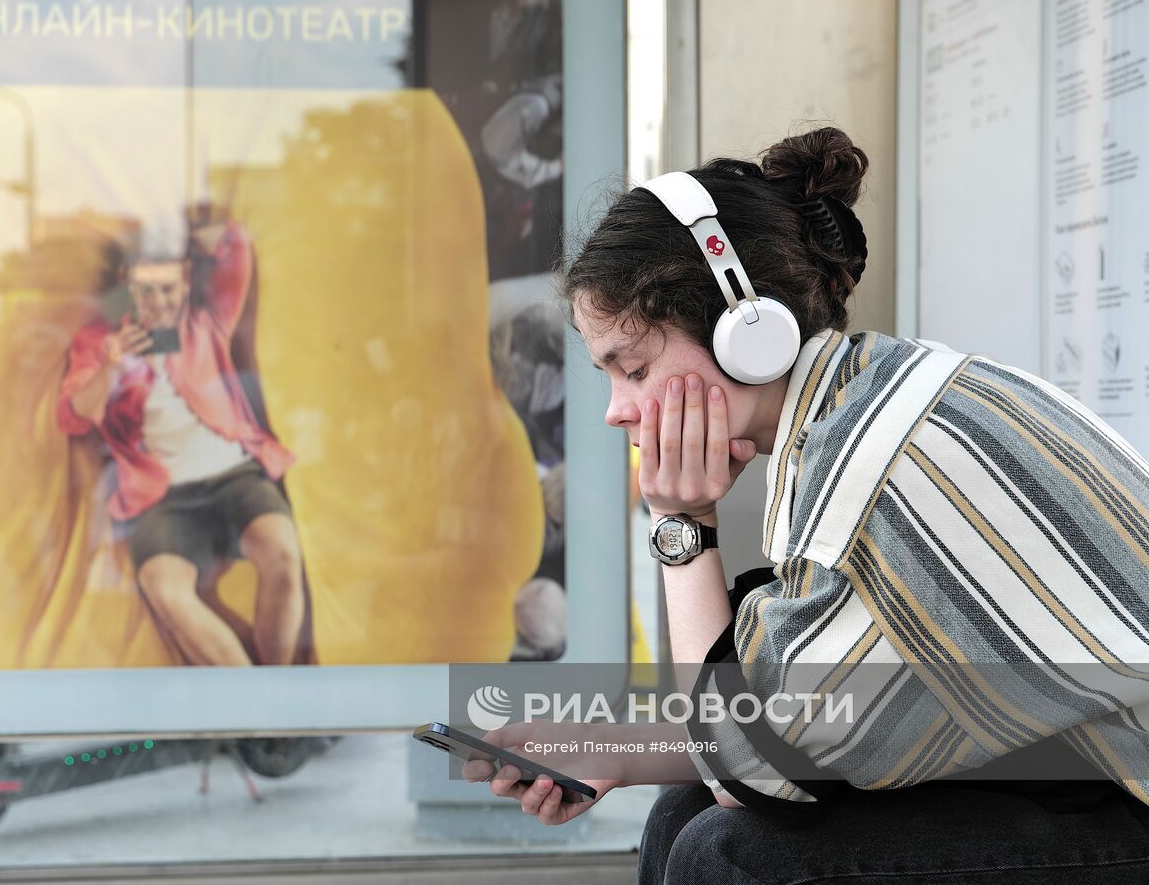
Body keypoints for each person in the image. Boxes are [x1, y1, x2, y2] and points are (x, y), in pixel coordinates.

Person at [465, 126, 1149, 882]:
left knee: (726, 854)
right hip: (1086, 768)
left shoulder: (861, 468)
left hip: (1126, 795)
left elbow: (750, 769)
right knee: (683, 811)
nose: (617, 411)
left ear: (742, 328)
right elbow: (792, 718)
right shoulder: (864, 395)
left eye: (632, 367)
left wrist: (680, 527)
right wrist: (607, 749)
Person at [57, 219, 306, 667]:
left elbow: (238, 251)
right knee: (164, 590)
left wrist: (212, 234)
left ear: (187, 283)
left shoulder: (207, 323)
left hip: (234, 475)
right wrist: (113, 367)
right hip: (161, 497)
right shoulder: (100, 343)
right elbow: (72, 417)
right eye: (146, 291)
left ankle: (280, 695)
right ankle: (256, 714)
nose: (159, 303)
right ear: (127, 285)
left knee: (284, 556)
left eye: (169, 290)